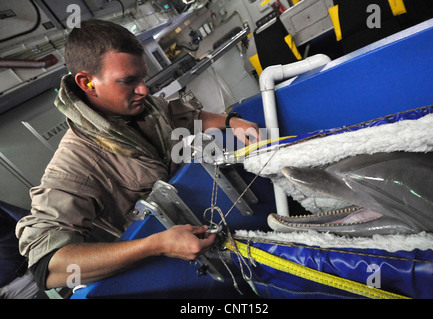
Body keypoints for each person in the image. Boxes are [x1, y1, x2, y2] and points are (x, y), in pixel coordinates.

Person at [16, 19, 260, 291]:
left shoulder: (144, 107)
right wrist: (156, 245)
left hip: (207, 226)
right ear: (87, 82)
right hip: (167, 266)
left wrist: (232, 121)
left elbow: (184, 116)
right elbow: (46, 265)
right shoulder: (76, 162)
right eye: (128, 81)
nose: (144, 89)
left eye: (142, 77)